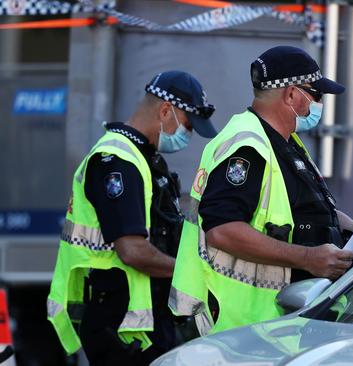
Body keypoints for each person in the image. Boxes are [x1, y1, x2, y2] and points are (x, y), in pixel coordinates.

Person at [169, 46, 353, 336]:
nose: (319, 104)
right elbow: (222, 229)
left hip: (275, 323)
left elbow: (309, 208)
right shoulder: (247, 146)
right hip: (240, 325)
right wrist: (308, 258)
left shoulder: (284, 141)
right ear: (292, 95)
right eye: (316, 95)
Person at [47, 70, 217, 365]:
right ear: (166, 111)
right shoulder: (117, 161)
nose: (188, 136)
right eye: (188, 126)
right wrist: (193, 275)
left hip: (139, 322)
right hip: (120, 326)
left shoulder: (144, 158)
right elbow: (132, 251)